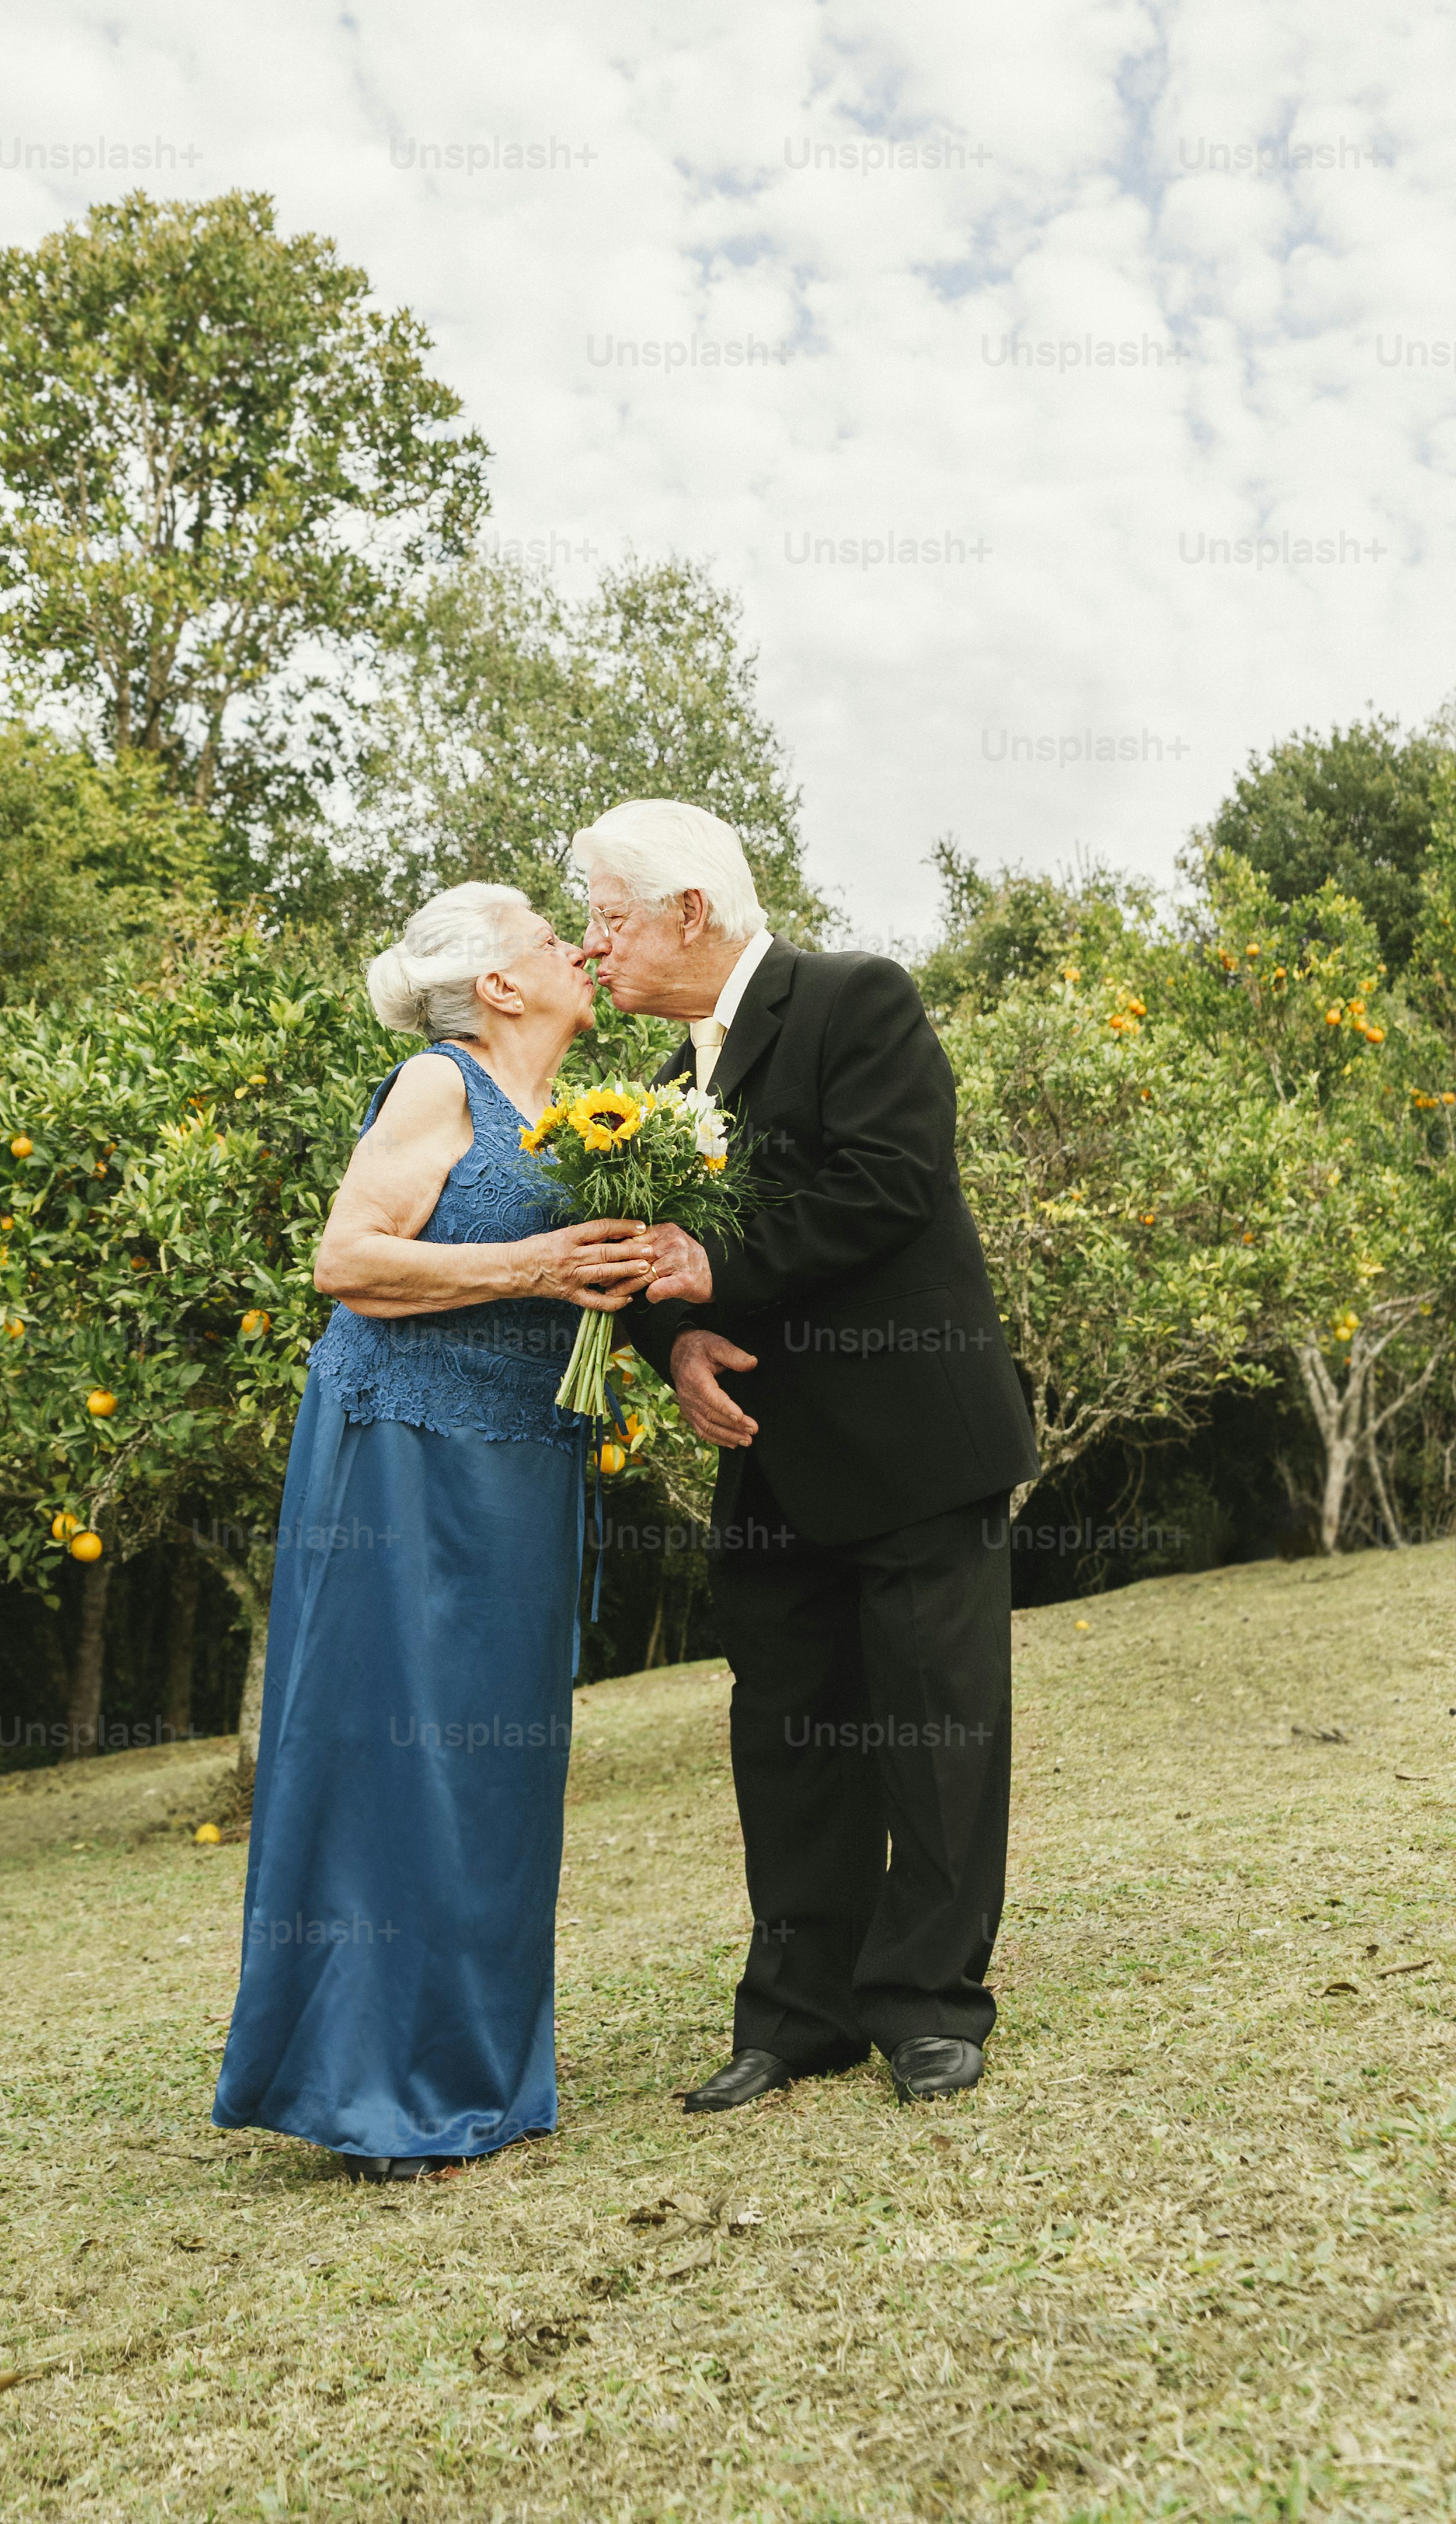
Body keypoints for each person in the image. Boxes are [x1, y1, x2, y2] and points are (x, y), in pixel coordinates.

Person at [570, 800, 1039, 2108]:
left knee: (935, 1733)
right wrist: (674, 1343)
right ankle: (797, 2017)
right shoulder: (658, 1091)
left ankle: (929, 2006)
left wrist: (721, 1265)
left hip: (913, 1442)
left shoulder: (854, 1000)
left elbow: (890, 1182)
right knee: (785, 1739)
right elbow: (653, 1270)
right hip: (770, 1461)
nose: (594, 947)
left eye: (608, 919)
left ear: (690, 912)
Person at [212, 882, 650, 2180]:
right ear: (500, 986)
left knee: (500, 1761)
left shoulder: (574, 1115)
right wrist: (540, 1266)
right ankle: (378, 2090)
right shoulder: (437, 1083)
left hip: (525, 1461)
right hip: (399, 1457)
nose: (577, 946)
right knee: (401, 1756)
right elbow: (347, 1261)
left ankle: (480, 2071)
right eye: (548, 937)